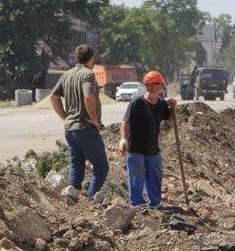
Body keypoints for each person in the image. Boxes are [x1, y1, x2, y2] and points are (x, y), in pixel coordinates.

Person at [50, 44, 109, 201]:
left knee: (77, 167)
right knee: (102, 167)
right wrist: (95, 120)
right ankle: (90, 200)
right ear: (91, 58)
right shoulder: (87, 75)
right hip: (85, 128)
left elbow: (54, 97)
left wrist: (65, 117)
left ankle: (72, 200)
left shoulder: (66, 75)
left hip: (70, 129)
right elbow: (88, 96)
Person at [118, 70, 177, 208]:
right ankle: (137, 205)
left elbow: (169, 120)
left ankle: (155, 203)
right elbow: (126, 122)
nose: (150, 87)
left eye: (153, 84)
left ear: (160, 86)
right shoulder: (137, 103)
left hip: (153, 150)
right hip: (136, 149)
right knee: (136, 179)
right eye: (147, 85)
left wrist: (173, 107)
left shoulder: (162, 104)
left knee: (155, 178)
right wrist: (123, 139)